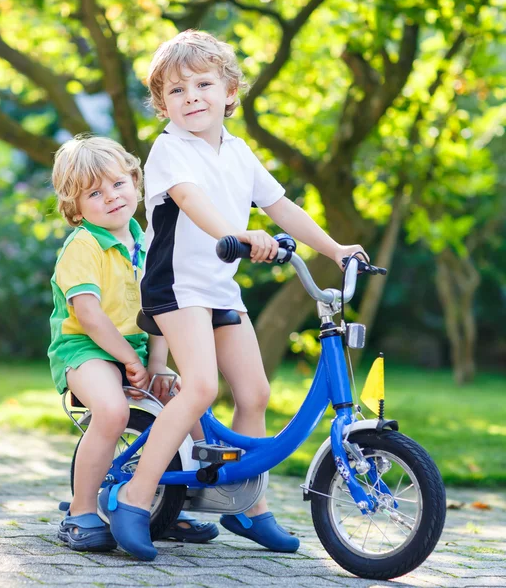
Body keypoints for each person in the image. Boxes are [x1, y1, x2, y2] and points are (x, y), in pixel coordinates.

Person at [97, 30, 368, 561]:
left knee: (255, 393)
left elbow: (281, 207)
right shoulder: (170, 150)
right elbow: (191, 201)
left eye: (203, 84)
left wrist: (335, 249)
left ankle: (246, 504)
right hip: (175, 287)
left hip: (219, 288)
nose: (191, 96)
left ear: (229, 92)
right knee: (199, 388)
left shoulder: (240, 152)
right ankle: (133, 497)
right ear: (162, 105)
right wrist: (239, 234)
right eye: (176, 91)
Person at [48, 135, 217, 552]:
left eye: (118, 185)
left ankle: (170, 503)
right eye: (94, 193)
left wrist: (157, 362)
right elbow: (88, 315)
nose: (111, 197)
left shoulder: (147, 242)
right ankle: (80, 511)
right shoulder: (82, 246)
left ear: (136, 182)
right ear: (76, 207)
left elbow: (159, 308)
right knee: (111, 410)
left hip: (136, 350)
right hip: (84, 348)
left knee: (189, 401)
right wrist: (128, 359)